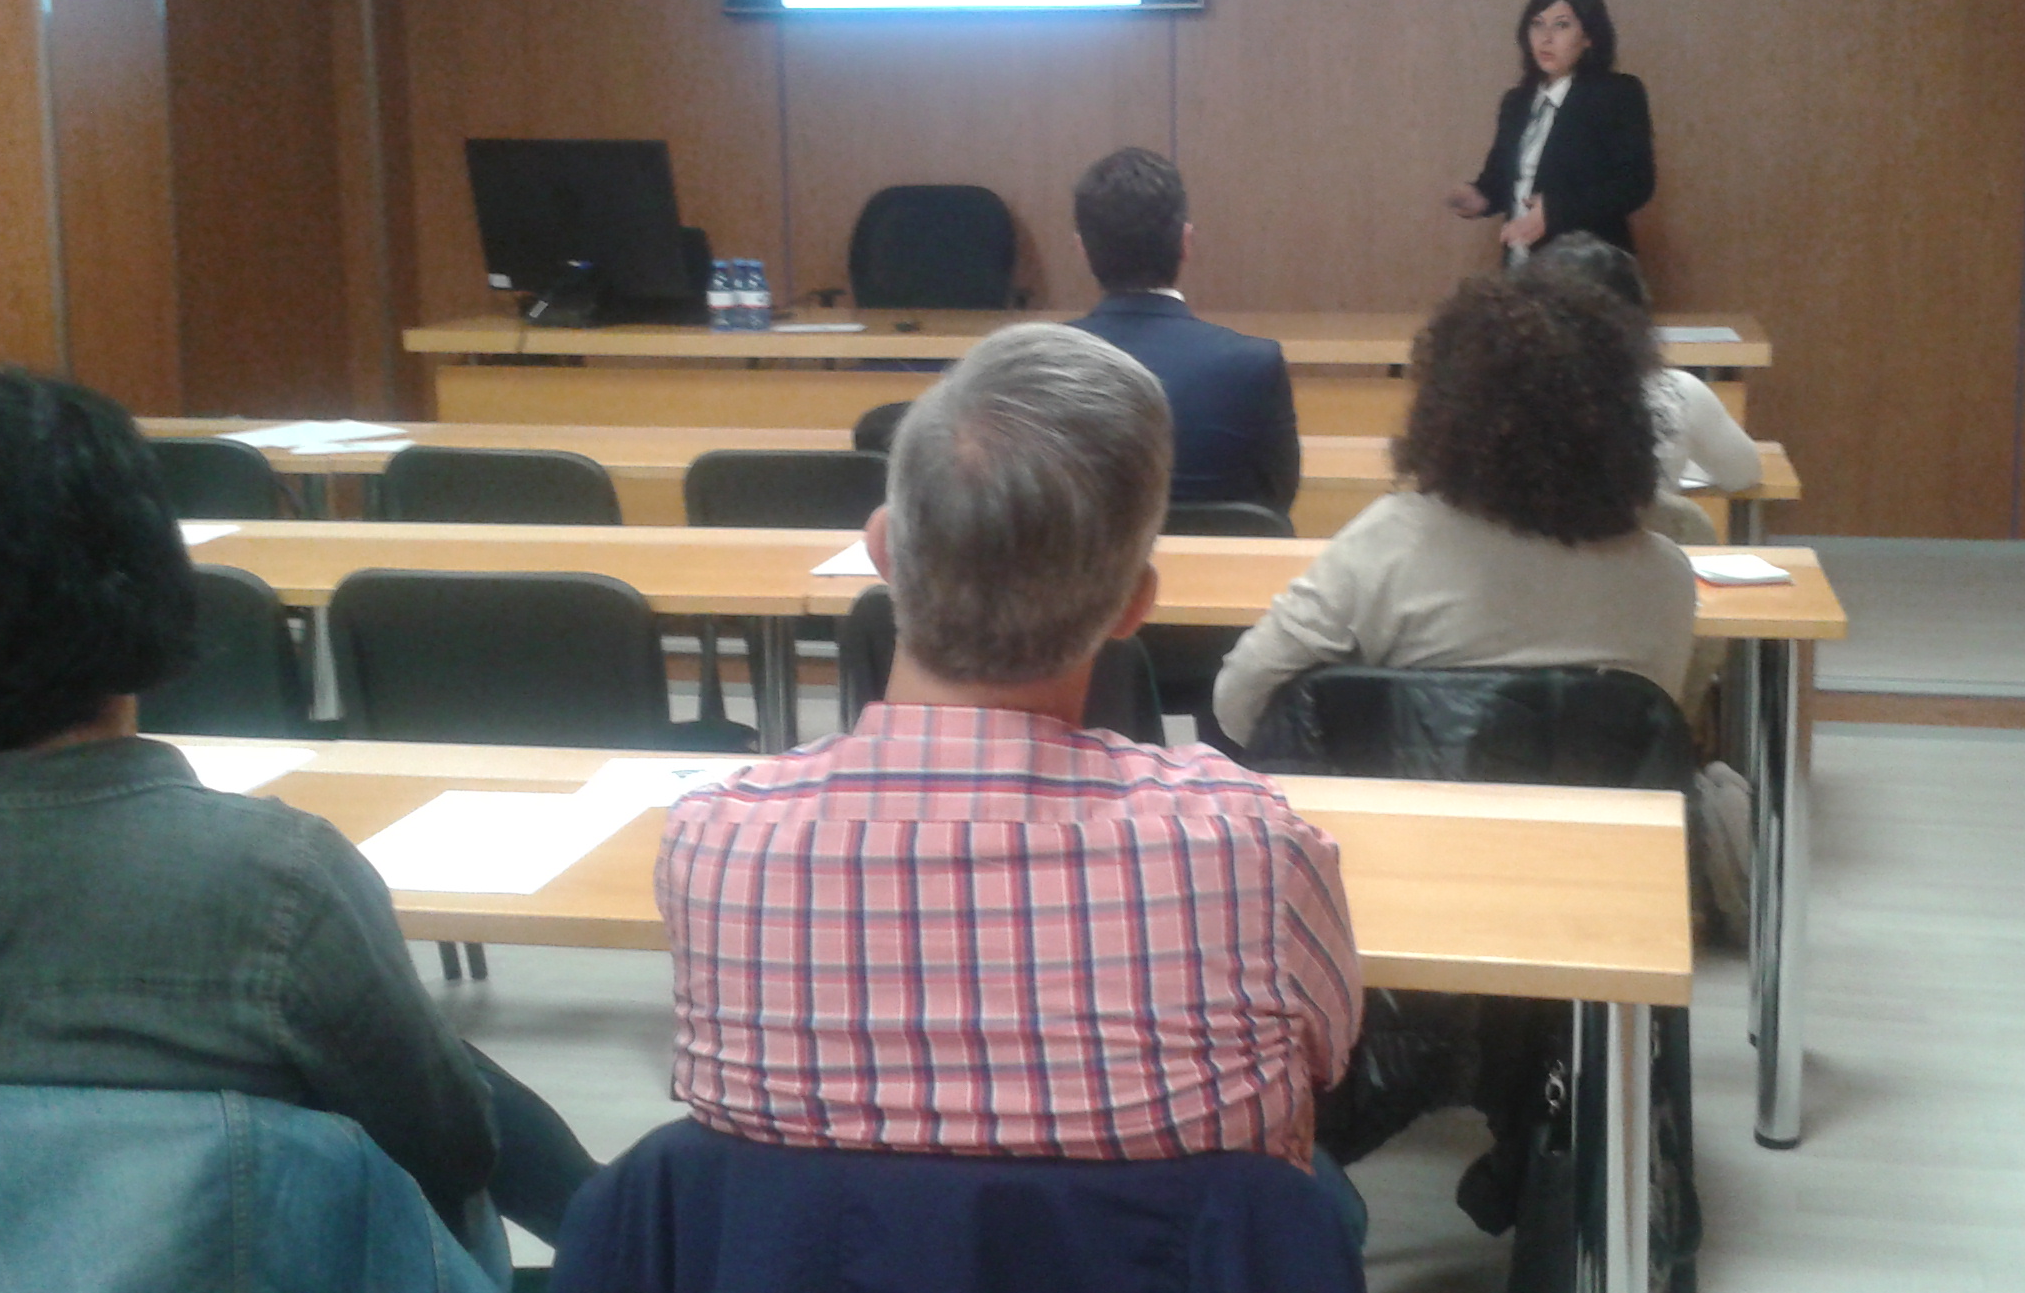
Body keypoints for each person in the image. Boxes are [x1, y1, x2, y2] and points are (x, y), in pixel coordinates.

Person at [659, 325, 1361, 1189]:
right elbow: (1326, 1058)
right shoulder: (1255, 848)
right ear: (1135, 604)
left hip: (824, 1279)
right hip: (1166, 1276)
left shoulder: (711, 844)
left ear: (881, 549)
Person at [0, 367, 595, 1243]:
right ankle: (622, 1257)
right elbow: (450, 1153)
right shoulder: (280, 882)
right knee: (439, 1081)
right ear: (148, 578)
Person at [1213, 270, 1695, 749]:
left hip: (1400, 800)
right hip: (1604, 802)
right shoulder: (1665, 578)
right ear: (1629, 416)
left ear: (1447, 408)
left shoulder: (1390, 543)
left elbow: (1237, 701)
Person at [1068, 146, 1300, 516]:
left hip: (1091, 554)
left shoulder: (1041, 364)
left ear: (1082, 250)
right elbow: (1277, 500)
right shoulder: (1255, 364)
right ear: (1185, 243)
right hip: (1223, 555)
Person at [1523, 231, 1761, 540]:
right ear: (1638, 316)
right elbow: (1743, 474)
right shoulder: (1679, 392)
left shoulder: (1494, 404)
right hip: (1647, 564)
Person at [1447, 0, 1655, 262]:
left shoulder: (1616, 93)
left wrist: (1557, 211)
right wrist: (1477, 197)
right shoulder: (1516, 102)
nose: (1545, 38)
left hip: (1588, 267)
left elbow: (1635, 185)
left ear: (1588, 37)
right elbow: (1501, 180)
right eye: (1537, 24)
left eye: (1561, 25)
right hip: (1521, 263)